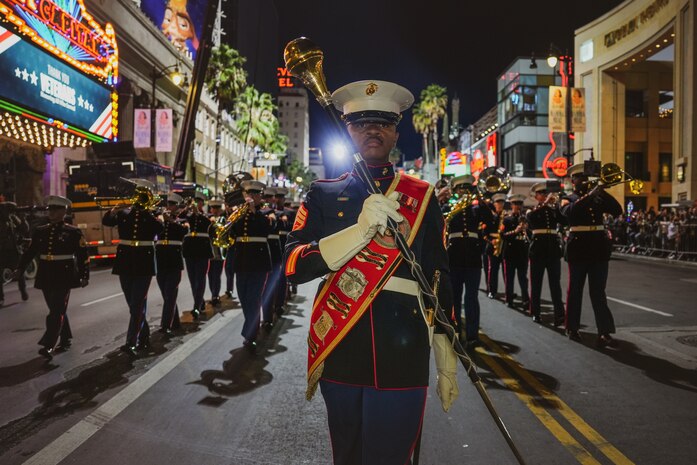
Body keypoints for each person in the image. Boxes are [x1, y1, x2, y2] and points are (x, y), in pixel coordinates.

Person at [283, 80, 456, 465]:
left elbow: (438, 274)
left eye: (382, 122)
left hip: (405, 348)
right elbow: (293, 264)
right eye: (360, 123)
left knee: (392, 457)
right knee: (347, 454)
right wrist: (358, 232)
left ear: (396, 131)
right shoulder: (323, 193)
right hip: (343, 342)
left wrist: (446, 350)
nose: (372, 130)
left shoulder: (421, 195)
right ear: (347, 130)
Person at [16, 196, 89, 360]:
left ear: (64, 211)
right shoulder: (41, 231)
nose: (52, 212)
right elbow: (31, 252)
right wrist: (20, 268)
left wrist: (84, 275)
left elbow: (83, 255)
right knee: (57, 309)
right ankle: (65, 337)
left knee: (56, 310)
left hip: (64, 274)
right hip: (46, 273)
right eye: (50, 209)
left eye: (55, 210)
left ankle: (48, 344)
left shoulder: (73, 232)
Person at [561, 164, 623, 347]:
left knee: (598, 292)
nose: (585, 181)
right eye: (581, 177)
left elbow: (617, 210)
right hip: (578, 249)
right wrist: (590, 195)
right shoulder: (567, 198)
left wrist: (602, 191)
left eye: (587, 177)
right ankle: (572, 327)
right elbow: (569, 213)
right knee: (575, 291)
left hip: (598, 249)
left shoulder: (597, 198)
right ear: (573, 181)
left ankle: (604, 332)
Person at [102, 180, 164, 357]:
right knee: (132, 302)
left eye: (143, 198)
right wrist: (114, 208)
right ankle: (143, 334)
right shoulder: (124, 214)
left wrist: (150, 211)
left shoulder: (151, 216)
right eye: (138, 197)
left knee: (137, 303)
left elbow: (160, 228)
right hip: (125, 261)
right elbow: (107, 221)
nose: (139, 201)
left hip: (144, 263)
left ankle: (131, 342)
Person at [444, 175, 492, 348]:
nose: (464, 191)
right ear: (454, 191)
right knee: (455, 297)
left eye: (467, 188)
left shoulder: (476, 208)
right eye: (460, 189)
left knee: (472, 297)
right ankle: (455, 331)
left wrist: (479, 198)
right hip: (454, 256)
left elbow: (490, 221)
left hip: (472, 257)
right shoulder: (448, 206)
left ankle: (472, 335)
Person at [230, 180, 271, 351]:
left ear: (260, 197)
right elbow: (232, 234)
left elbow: (268, 229)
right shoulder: (239, 215)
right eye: (249, 194)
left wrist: (254, 212)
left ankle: (251, 333)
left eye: (255, 194)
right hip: (241, 261)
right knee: (244, 298)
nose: (251, 197)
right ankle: (251, 327)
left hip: (259, 263)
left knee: (253, 299)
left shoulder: (267, 213)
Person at [526, 182, 565, 325]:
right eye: (541, 193)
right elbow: (530, 218)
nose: (544, 195)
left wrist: (558, 207)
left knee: (555, 284)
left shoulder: (553, 210)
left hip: (553, 249)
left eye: (545, 193)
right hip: (538, 249)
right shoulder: (532, 210)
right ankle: (536, 312)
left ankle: (559, 315)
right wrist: (545, 204)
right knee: (536, 284)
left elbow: (565, 221)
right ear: (536, 196)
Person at [155, 193, 188, 335]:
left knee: (170, 293)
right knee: (166, 293)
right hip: (160, 260)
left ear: (177, 207)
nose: (169, 207)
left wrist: (171, 221)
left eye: (172, 204)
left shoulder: (182, 220)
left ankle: (165, 325)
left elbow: (184, 231)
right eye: (168, 204)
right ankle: (175, 321)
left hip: (174, 261)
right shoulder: (159, 221)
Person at [182, 191, 214, 320]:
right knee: (192, 280)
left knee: (200, 279)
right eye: (195, 200)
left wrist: (198, 213)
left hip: (202, 251)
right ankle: (199, 302)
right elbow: (179, 218)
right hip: (190, 250)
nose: (196, 203)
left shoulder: (207, 216)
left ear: (202, 203)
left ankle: (196, 305)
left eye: (198, 201)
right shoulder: (187, 216)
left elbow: (209, 224)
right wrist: (186, 209)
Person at [501, 194, 530, 308]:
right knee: (509, 278)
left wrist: (526, 229)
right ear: (512, 205)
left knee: (523, 278)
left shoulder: (526, 219)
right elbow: (502, 235)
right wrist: (515, 231)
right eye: (515, 204)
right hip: (510, 253)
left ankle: (525, 299)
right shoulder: (507, 219)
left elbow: (531, 236)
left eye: (519, 204)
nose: (517, 206)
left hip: (522, 252)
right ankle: (509, 299)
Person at [0, 201, 29, 306]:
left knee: (19, 272)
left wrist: (22, 218)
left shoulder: (12, 218)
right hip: (3, 251)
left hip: (14, 250)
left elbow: (24, 229)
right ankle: (1, 298)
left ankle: (23, 291)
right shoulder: (6, 220)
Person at [260, 187, 281, 331]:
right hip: (257, 253)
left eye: (270, 197)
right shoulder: (255, 213)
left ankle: (268, 317)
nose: (267, 200)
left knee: (270, 286)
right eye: (265, 197)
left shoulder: (276, 214)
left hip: (273, 252)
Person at [485, 193, 506, 299]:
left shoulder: (506, 216)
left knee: (505, 271)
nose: (500, 205)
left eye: (502, 203)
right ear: (494, 204)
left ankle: (508, 292)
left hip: (504, 246)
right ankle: (492, 290)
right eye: (498, 203)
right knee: (492, 270)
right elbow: (484, 233)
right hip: (493, 245)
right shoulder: (490, 217)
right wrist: (490, 241)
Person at [207, 198, 226, 307]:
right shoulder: (208, 219)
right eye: (213, 208)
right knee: (210, 275)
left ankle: (216, 295)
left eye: (217, 208)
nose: (215, 210)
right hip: (210, 250)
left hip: (219, 251)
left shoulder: (223, 219)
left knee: (217, 275)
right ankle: (213, 294)